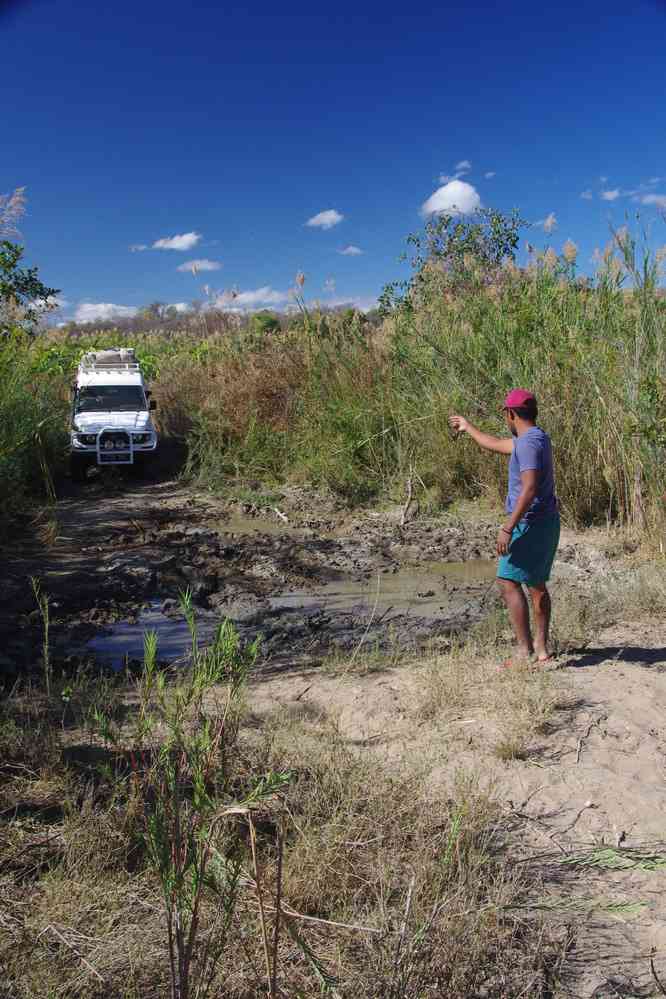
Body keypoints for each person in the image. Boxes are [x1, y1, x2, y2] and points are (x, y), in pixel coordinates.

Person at [449, 389, 560, 665]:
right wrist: (468, 427)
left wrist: (508, 527)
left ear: (510, 414)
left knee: (507, 581)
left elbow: (530, 487)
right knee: (536, 585)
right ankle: (542, 650)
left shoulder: (527, 444)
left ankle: (524, 652)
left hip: (528, 523)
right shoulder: (536, 438)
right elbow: (497, 443)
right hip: (546, 522)